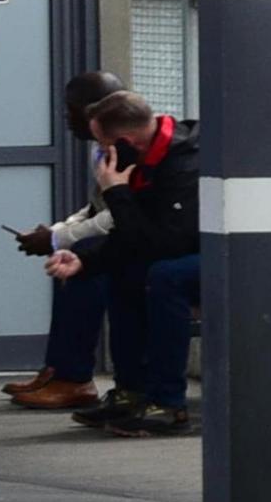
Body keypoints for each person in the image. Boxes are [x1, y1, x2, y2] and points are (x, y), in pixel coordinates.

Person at [43, 90, 201, 437]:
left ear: (125, 142)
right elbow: (132, 238)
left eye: (102, 144)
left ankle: (169, 403)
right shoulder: (141, 161)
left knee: (164, 275)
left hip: (226, 257)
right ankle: (132, 390)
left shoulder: (185, 163)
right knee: (122, 270)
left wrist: (116, 192)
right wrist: (83, 260)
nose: (100, 153)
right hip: (175, 248)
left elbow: (165, 245)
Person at [4, 69, 130, 412]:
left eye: (71, 108)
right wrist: (59, 232)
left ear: (94, 114)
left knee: (85, 259)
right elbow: (97, 205)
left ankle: (75, 380)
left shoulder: (128, 149)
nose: (65, 116)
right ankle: (58, 370)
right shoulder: (101, 148)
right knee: (72, 252)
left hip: (146, 244)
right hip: (126, 239)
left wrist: (59, 237)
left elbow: (119, 216)